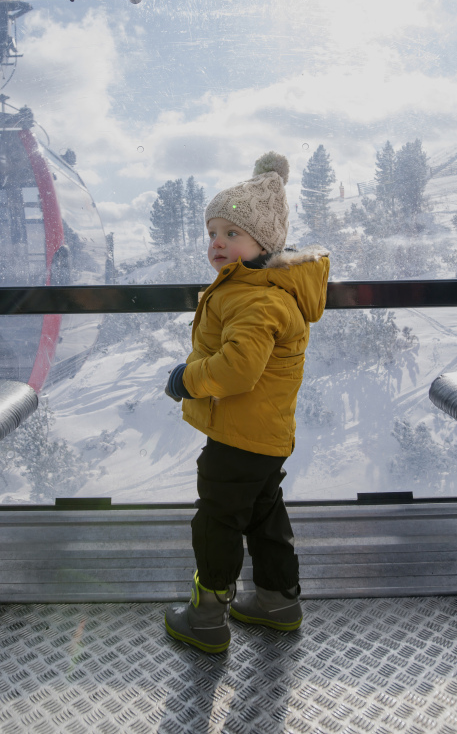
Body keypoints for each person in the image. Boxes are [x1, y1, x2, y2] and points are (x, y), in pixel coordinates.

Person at [164, 151, 330, 653]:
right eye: (213, 232)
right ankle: (279, 601)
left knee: (216, 520)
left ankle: (207, 617)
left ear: (264, 243)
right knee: (263, 515)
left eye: (232, 233)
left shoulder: (257, 299)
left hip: (240, 437)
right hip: (266, 434)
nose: (217, 242)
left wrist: (185, 380)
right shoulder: (261, 288)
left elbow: (237, 370)